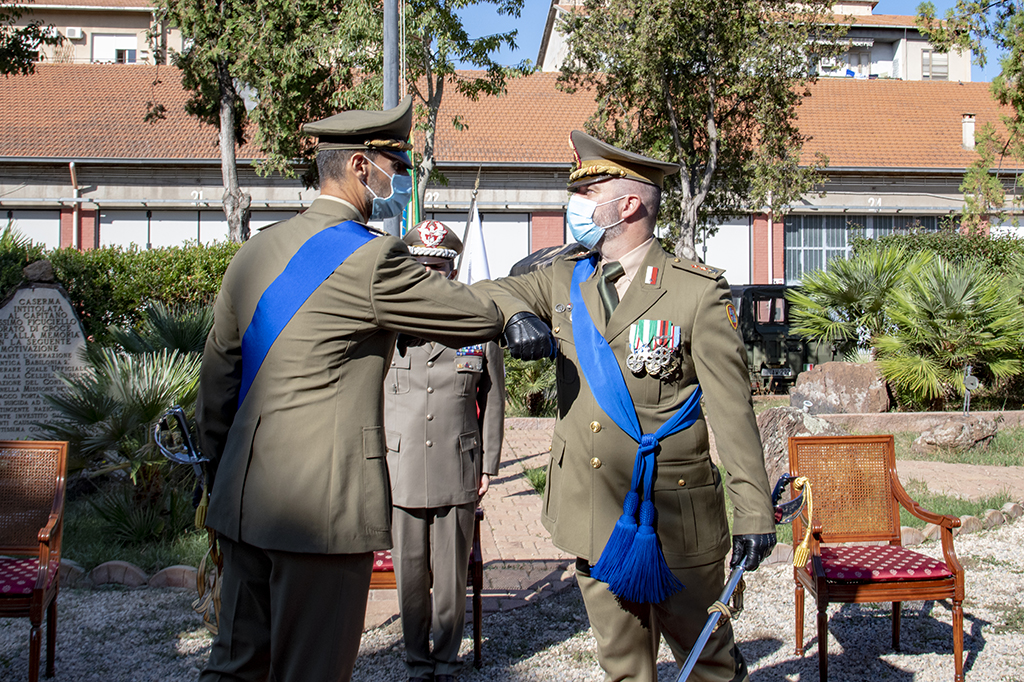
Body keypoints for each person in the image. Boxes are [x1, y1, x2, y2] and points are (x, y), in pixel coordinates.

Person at [195, 97, 552, 682]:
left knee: (236, 666)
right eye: (395, 164)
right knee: (311, 669)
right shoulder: (369, 257)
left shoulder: (254, 252)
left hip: (243, 501)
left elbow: (217, 387)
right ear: (362, 166)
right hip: (323, 511)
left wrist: (221, 478)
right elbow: (466, 310)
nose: (400, 179)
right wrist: (532, 288)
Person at [476, 130, 777, 682]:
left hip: (676, 514)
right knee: (622, 666)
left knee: (707, 660)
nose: (577, 207)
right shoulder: (566, 278)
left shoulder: (696, 291)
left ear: (629, 204)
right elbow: (488, 289)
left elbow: (733, 412)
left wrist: (754, 512)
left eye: (590, 195)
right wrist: (515, 314)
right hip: (595, 509)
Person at [384, 220, 504, 682]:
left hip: (458, 462)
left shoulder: (477, 323)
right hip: (403, 463)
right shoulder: (390, 324)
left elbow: (493, 397)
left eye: (439, 267)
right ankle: (417, 659)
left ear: (453, 272)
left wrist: (489, 462)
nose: (431, 274)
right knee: (411, 572)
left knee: (452, 574)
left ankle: (446, 658)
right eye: (422, 266)